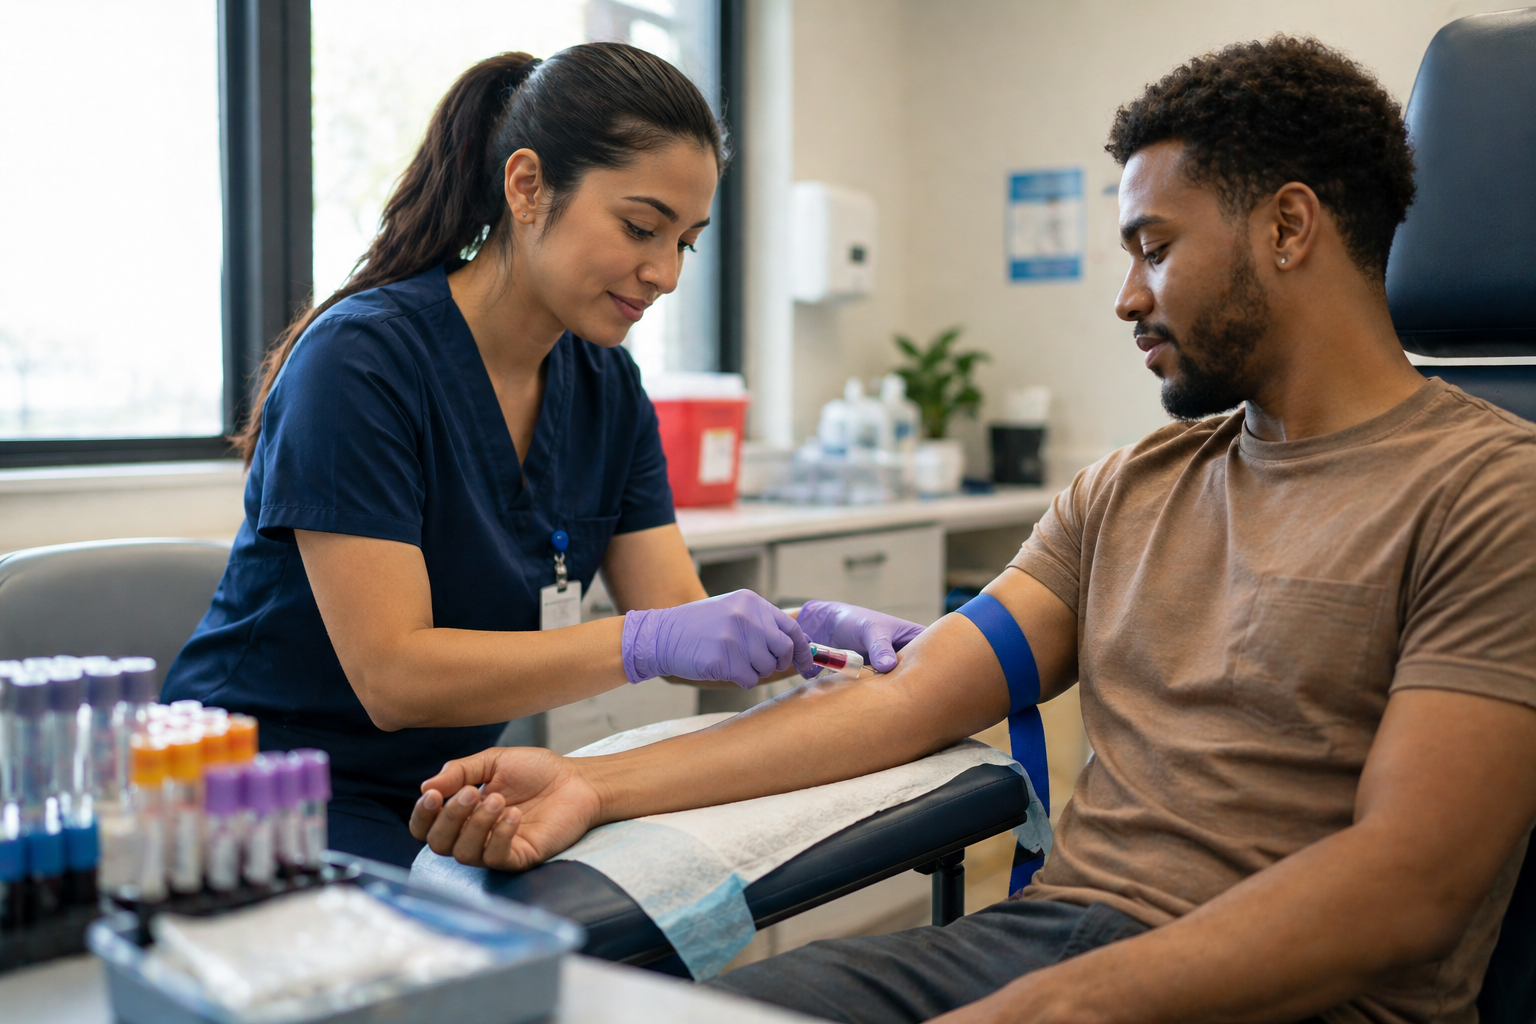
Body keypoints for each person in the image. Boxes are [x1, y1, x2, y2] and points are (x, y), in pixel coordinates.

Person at [408, 36, 1536, 1024]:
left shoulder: (1489, 494)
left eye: (1154, 245)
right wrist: (599, 784)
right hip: (1049, 944)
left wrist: (1056, 1008)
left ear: (1289, 226)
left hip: (1283, 989)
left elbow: (1411, 882)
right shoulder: (1129, 490)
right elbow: (908, 696)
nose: (1127, 296)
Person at [161, 43, 876, 867]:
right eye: (641, 228)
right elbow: (395, 678)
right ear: (527, 186)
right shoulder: (359, 365)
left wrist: (807, 634)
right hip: (260, 795)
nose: (667, 274)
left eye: (687, 241)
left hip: (454, 794)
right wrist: (641, 643)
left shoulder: (607, 387)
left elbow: (685, 618)